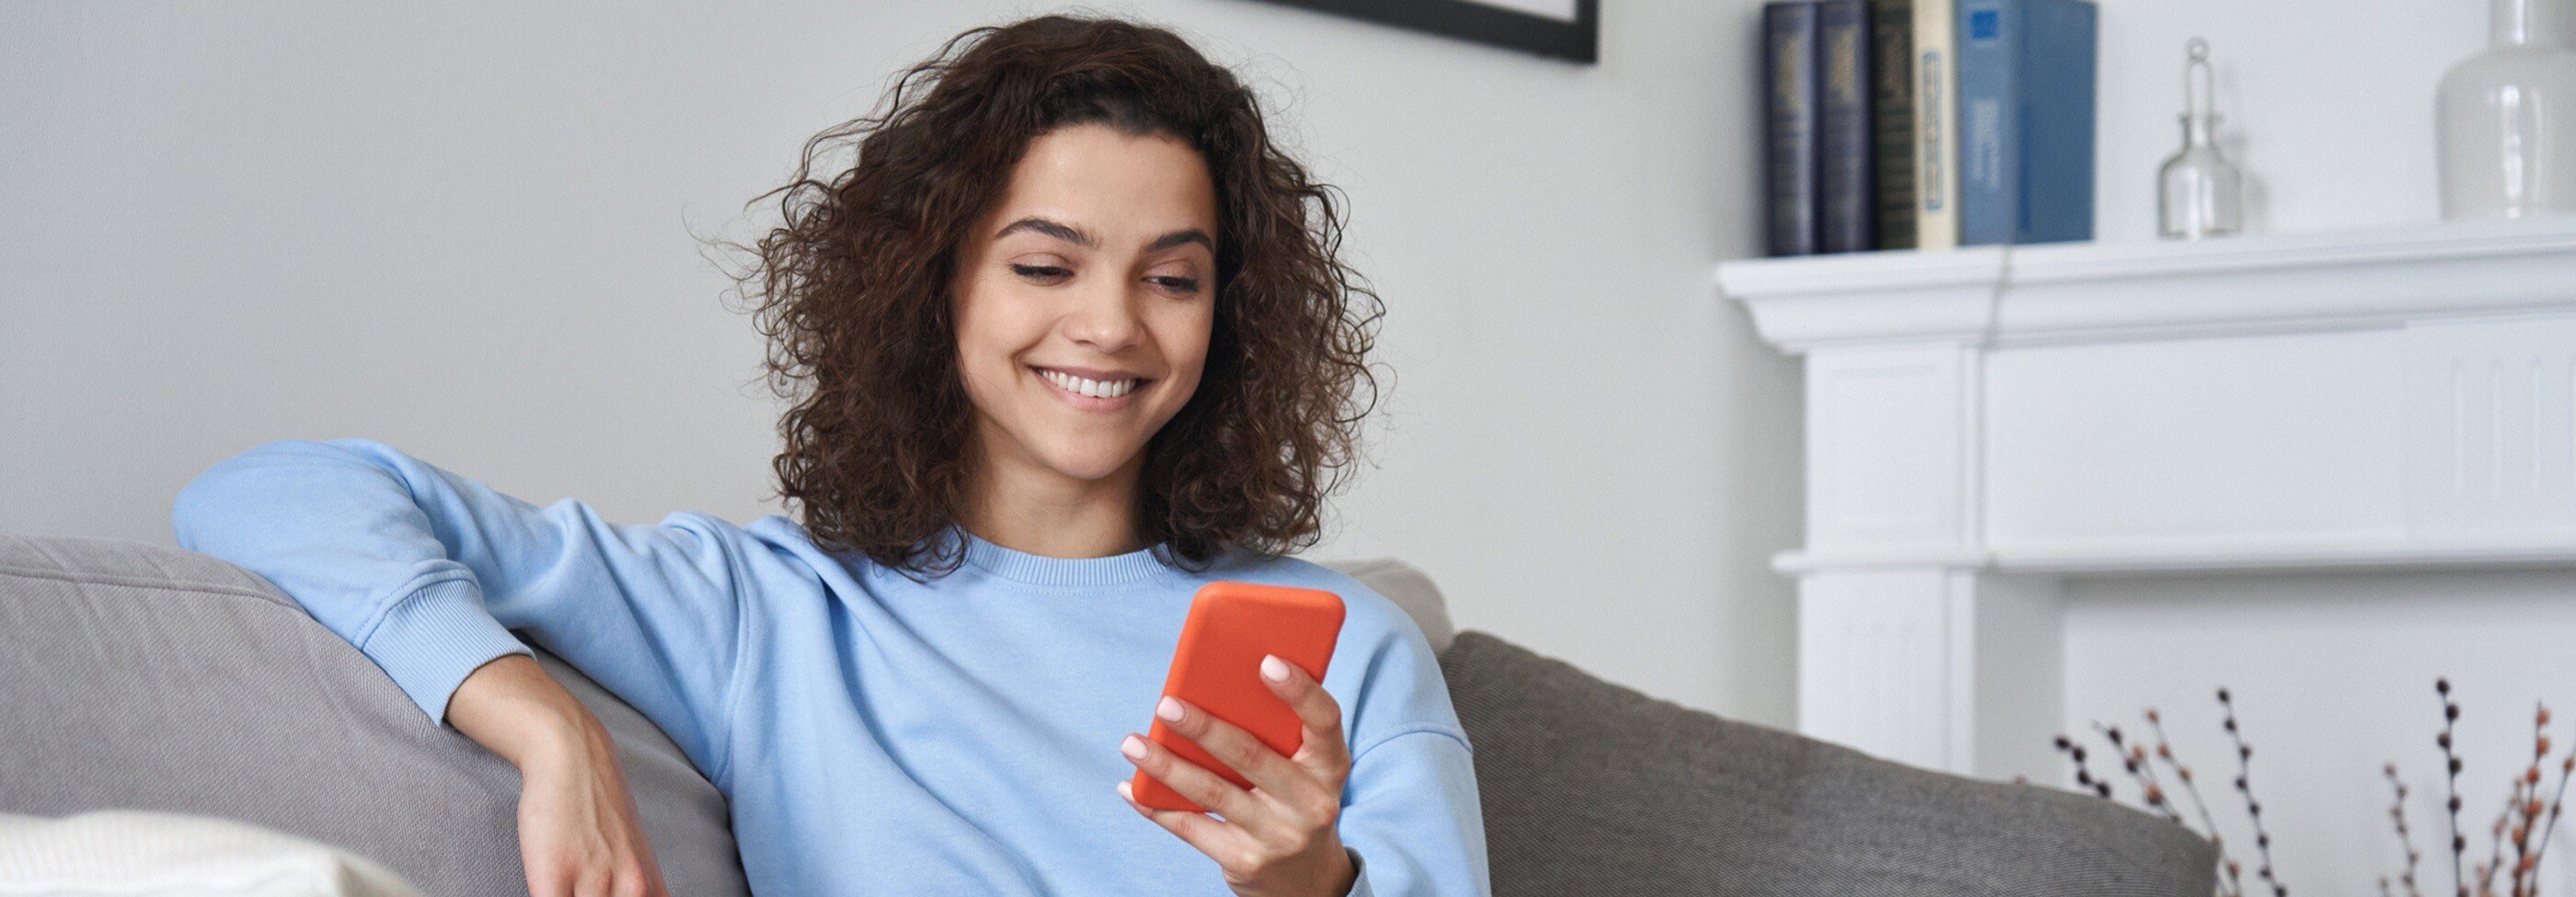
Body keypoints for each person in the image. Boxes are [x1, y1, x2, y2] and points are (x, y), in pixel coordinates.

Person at [169, 13, 1488, 897]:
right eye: (1044, 264)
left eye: (1174, 278)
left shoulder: (1346, 653)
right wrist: (540, 722)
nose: (1109, 324)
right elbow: (270, 494)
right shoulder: (770, 613)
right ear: (936, 285)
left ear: (1230, 319)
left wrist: (1313, 884)